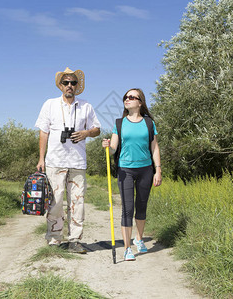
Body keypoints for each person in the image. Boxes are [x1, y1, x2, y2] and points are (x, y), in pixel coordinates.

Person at [35, 67, 101, 254]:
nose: (70, 85)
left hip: (78, 162)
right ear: (60, 85)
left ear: (77, 85)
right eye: (66, 82)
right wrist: (41, 158)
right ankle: (54, 239)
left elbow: (97, 129)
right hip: (55, 161)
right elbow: (43, 131)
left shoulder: (86, 106)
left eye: (73, 82)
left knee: (77, 203)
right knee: (55, 202)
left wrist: (86, 132)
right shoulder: (49, 104)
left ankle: (75, 240)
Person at [102, 88, 162, 261]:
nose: (127, 99)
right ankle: (127, 248)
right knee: (127, 209)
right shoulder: (119, 123)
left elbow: (154, 147)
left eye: (131, 97)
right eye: (125, 97)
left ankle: (139, 239)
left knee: (141, 207)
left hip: (145, 169)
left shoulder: (149, 123)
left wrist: (158, 170)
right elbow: (113, 148)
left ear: (140, 102)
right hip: (125, 170)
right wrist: (107, 146)